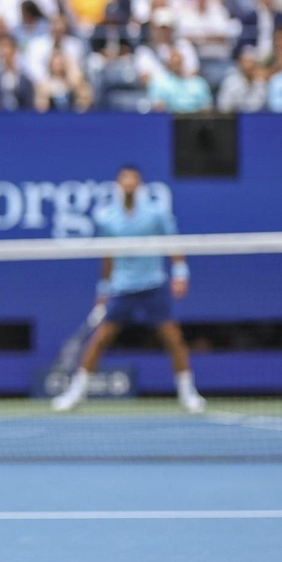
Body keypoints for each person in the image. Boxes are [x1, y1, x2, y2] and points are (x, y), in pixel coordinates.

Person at [52, 164, 205, 414]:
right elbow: (108, 256)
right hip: (122, 288)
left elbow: (173, 243)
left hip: (153, 284)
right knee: (100, 339)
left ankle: (188, 393)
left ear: (140, 185)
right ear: (118, 185)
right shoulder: (107, 217)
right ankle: (76, 393)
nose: (129, 184)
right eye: (125, 180)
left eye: (133, 180)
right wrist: (104, 289)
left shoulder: (156, 213)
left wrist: (180, 273)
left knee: (173, 339)